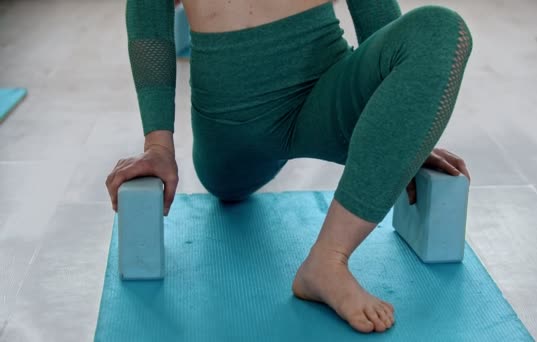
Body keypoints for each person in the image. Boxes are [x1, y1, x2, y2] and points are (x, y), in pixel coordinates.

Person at [106, 0, 472, 333]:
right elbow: (148, 19)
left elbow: (375, 15)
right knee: (226, 188)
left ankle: (328, 261)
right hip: (231, 127)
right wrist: (158, 145)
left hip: (327, 97)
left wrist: (405, 126)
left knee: (440, 28)